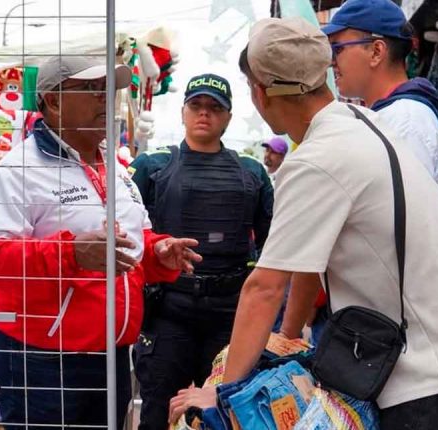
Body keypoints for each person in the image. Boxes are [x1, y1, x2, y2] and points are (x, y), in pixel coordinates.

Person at [220, 17, 438, 430]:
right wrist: (288, 336)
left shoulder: (315, 160)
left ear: (259, 91)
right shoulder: (363, 121)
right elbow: (306, 260)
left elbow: (264, 287)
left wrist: (223, 395)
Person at [0, 56, 201, 428]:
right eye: (91, 89)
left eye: (107, 90)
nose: (104, 100)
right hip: (42, 361)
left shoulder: (113, 167)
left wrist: (159, 250)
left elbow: (131, 240)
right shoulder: (17, 170)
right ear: (53, 101)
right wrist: (72, 253)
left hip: (110, 356)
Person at [129, 73, 274, 430]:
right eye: (196, 105)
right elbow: (127, 234)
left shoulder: (252, 172)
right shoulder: (152, 167)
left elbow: (273, 245)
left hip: (229, 315)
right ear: (183, 112)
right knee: (159, 412)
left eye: (214, 107)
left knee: (225, 414)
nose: (204, 114)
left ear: (227, 116)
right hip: (168, 312)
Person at [323, 0, 438, 190]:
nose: (331, 62)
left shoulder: (405, 122)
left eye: (337, 49)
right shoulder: (394, 116)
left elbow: (406, 216)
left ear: (376, 52)